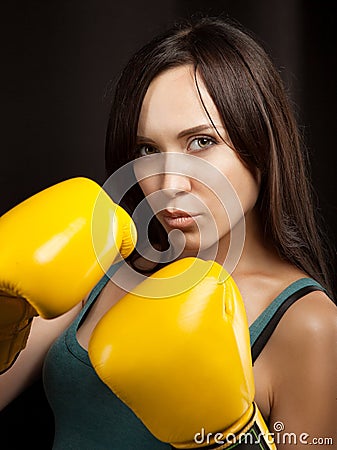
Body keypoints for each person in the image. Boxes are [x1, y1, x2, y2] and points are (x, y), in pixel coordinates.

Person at [0, 16, 336, 450]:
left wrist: (229, 439)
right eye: (147, 149)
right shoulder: (100, 267)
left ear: (262, 143)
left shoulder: (309, 325)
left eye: (200, 142)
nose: (170, 182)